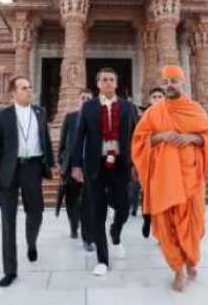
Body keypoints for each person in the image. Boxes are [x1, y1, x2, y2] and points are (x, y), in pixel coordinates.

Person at [131, 65, 208, 292]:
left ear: (182, 82)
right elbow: (139, 141)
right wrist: (161, 136)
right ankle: (177, 268)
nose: (170, 85)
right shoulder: (154, 112)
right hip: (163, 178)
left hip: (191, 177)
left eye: (174, 81)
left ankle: (190, 259)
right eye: (166, 82)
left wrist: (189, 137)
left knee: (194, 224)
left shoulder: (195, 109)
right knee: (166, 224)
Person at [0, 76, 55, 288]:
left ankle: (31, 243)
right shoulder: (3, 115)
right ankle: (10, 270)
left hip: (32, 168)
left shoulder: (40, 112)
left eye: (30, 87)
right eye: (23, 88)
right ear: (13, 93)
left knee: (36, 212)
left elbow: (46, 139)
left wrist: (51, 164)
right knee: (8, 221)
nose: (28, 90)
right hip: (9, 170)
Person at [71, 67, 138, 277]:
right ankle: (102, 260)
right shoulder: (89, 107)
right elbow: (78, 137)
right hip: (95, 166)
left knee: (124, 207)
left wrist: (137, 164)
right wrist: (76, 165)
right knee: (97, 212)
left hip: (120, 164)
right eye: (104, 80)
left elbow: (137, 138)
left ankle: (115, 232)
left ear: (116, 84)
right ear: (98, 84)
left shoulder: (128, 108)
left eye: (111, 79)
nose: (108, 83)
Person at [58, 88, 94, 251]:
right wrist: (61, 161)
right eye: (83, 98)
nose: (85, 100)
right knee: (71, 199)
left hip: (90, 165)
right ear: (78, 100)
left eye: (88, 98)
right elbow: (62, 141)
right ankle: (73, 225)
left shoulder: (97, 118)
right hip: (72, 165)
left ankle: (88, 236)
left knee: (89, 201)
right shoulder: (70, 117)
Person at [135, 86, 165, 239]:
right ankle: (147, 219)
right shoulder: (144, 118)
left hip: (166, 162)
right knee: (147, 194)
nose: (158, 99)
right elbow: (138, 139)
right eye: (155, 97)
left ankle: (162, 230)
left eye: (160, 96)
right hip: (148, 160)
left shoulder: (171, 116)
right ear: (150, 100)